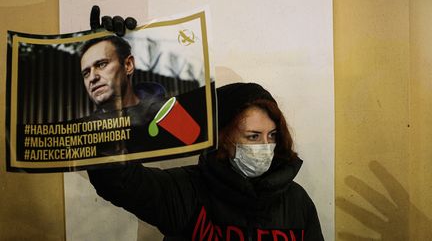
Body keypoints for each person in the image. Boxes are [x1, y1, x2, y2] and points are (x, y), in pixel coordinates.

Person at [88, 82, 324, 240]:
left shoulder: (296, 200)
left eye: (271, 136)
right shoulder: (186, 189)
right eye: (252, 136)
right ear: (222, 137)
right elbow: (117, 181)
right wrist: (112, 94)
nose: (265, 146)